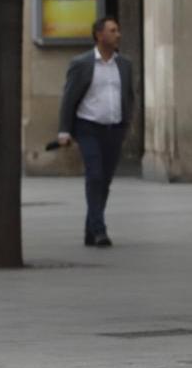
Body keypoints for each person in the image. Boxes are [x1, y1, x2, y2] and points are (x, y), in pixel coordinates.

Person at [57, 16, 136, 247]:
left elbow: (129, 96)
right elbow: (69, 98)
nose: (118, 34)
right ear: (99, 35)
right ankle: (100, 229)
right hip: (88, 126)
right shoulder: (82, 63)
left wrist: (127, 122)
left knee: (105, 181)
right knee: (95, 176)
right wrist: (64, 130)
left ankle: (90, 228)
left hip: (114, 128)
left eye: (118, 30)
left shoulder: (125, 64)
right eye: (113, 30)